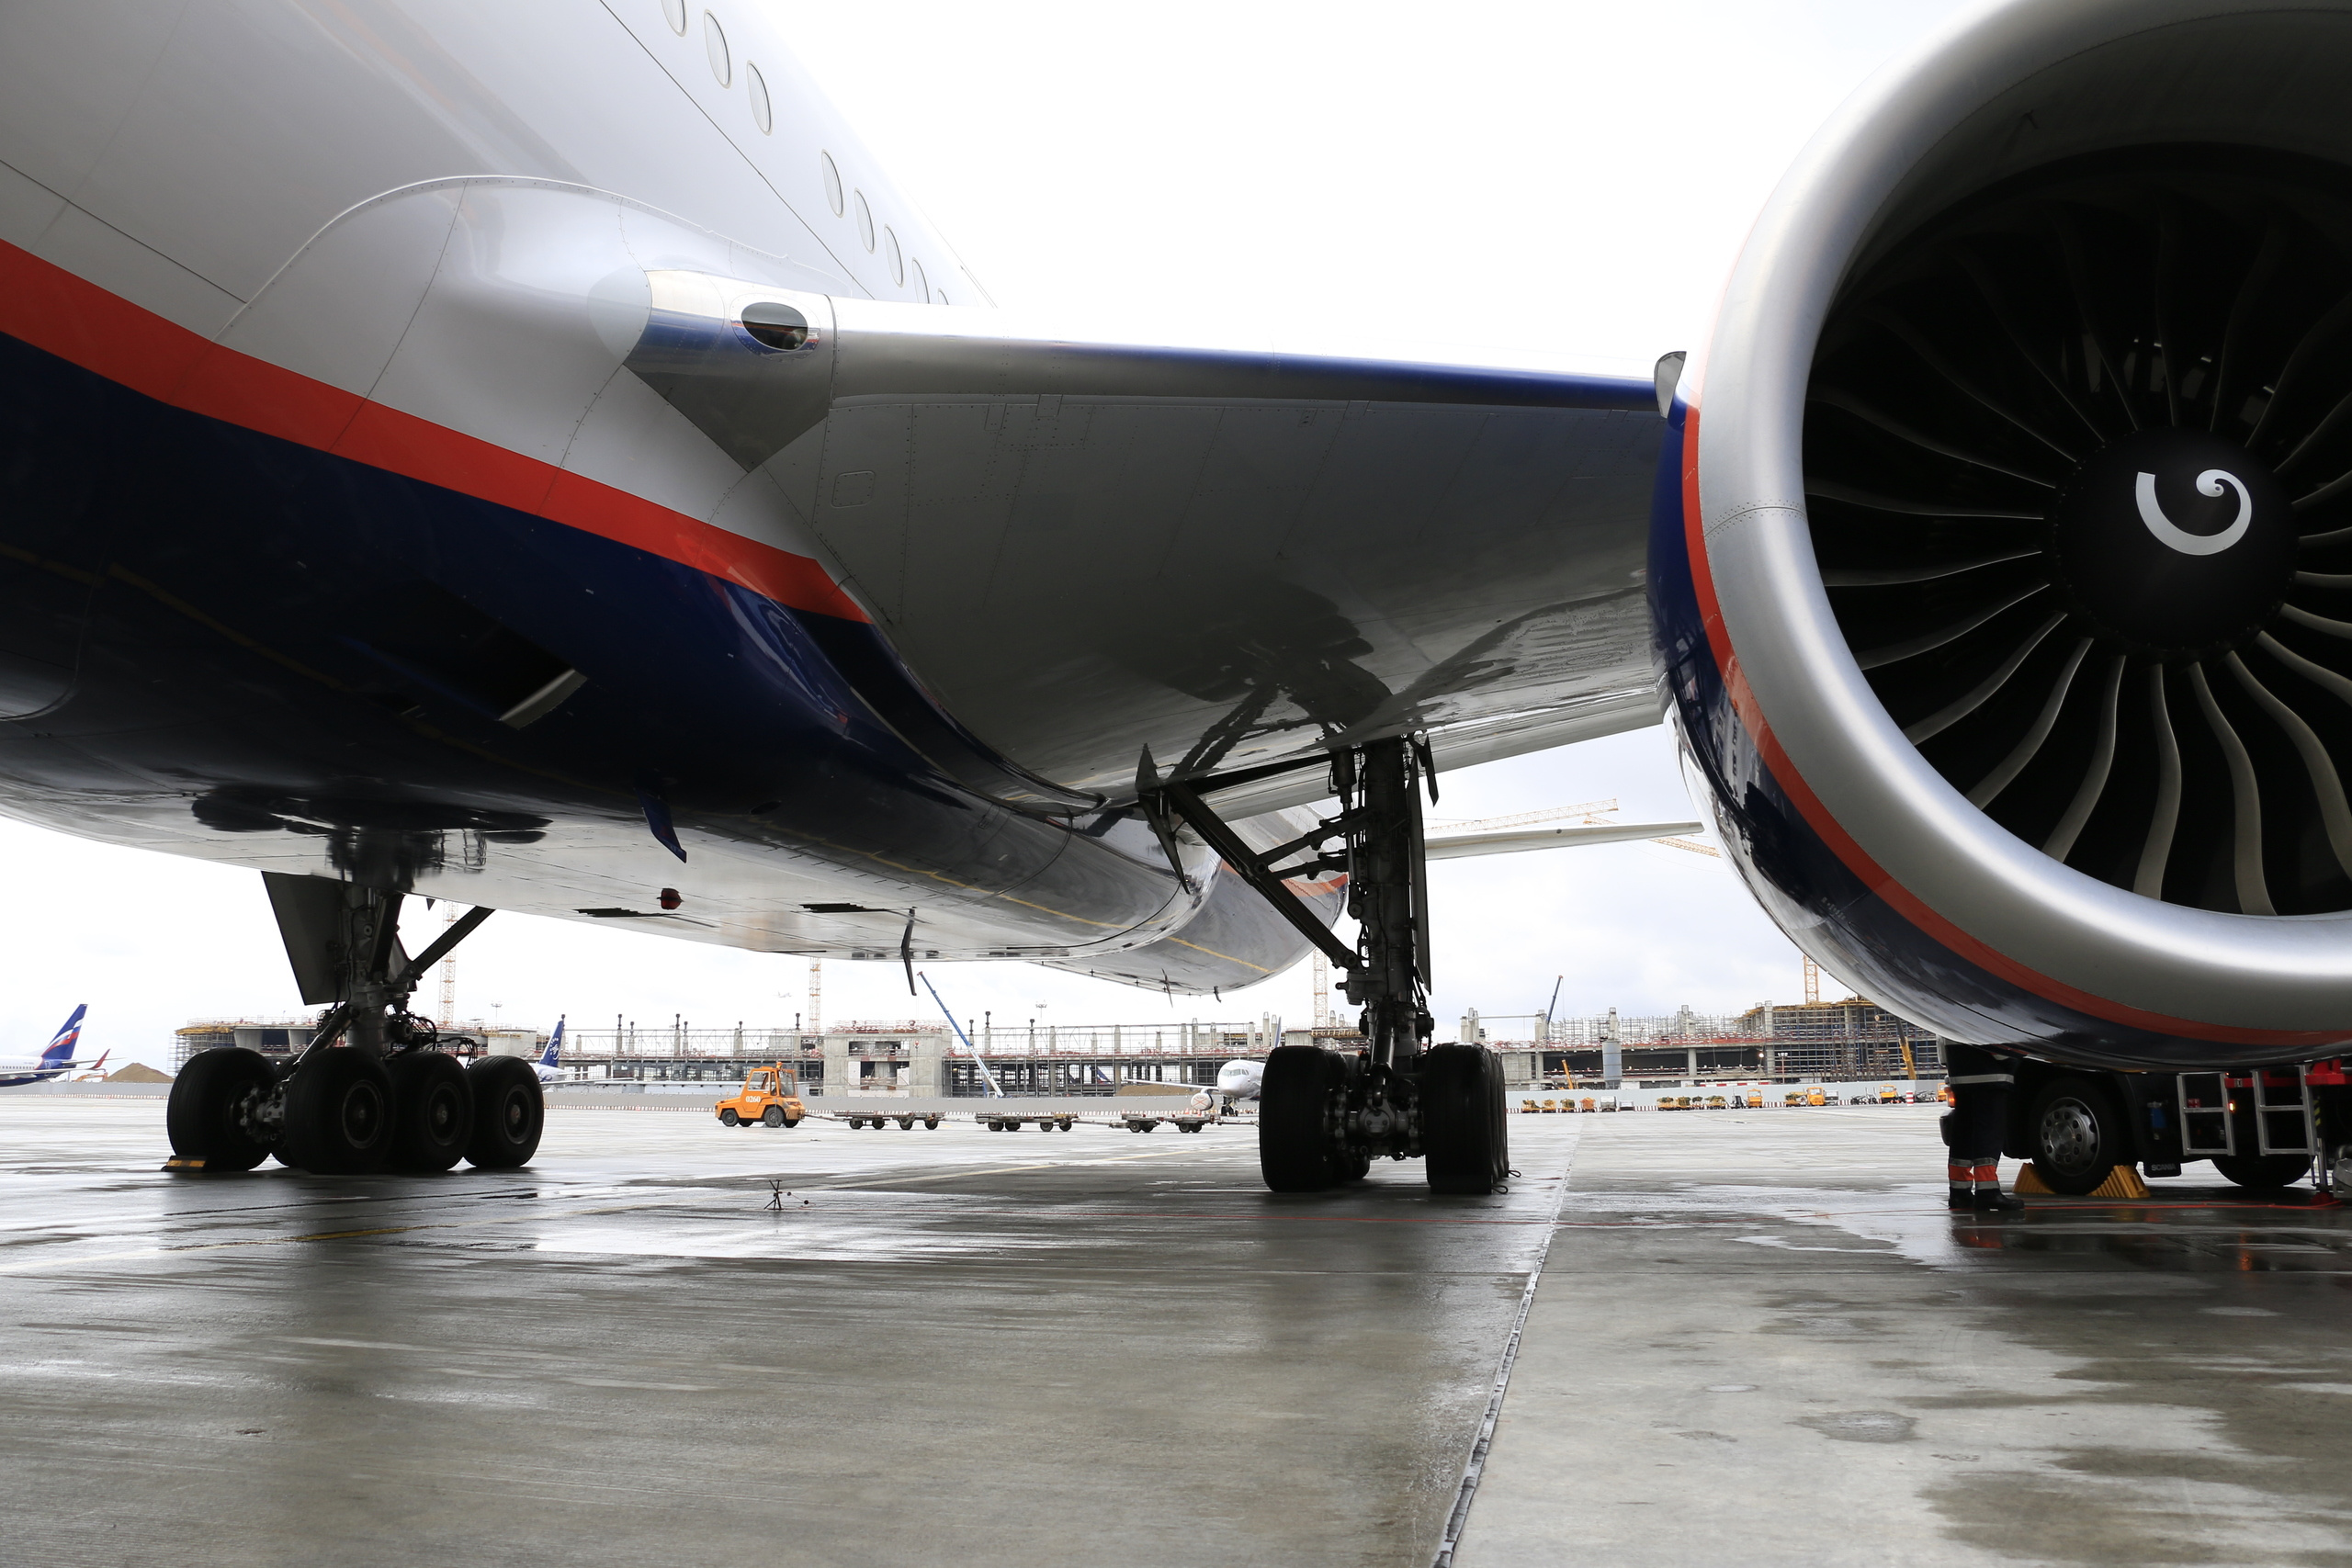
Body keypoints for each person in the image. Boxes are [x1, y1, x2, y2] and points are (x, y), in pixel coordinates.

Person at [1942, 1043, 2024, 1212]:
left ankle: (1959, 1192)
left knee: (1964, 1132)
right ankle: (1988, 1192)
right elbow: (1989, 1032)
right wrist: (2011, 1057)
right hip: (1989, 1071)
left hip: (1960, 1069)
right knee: (1989, 1132)